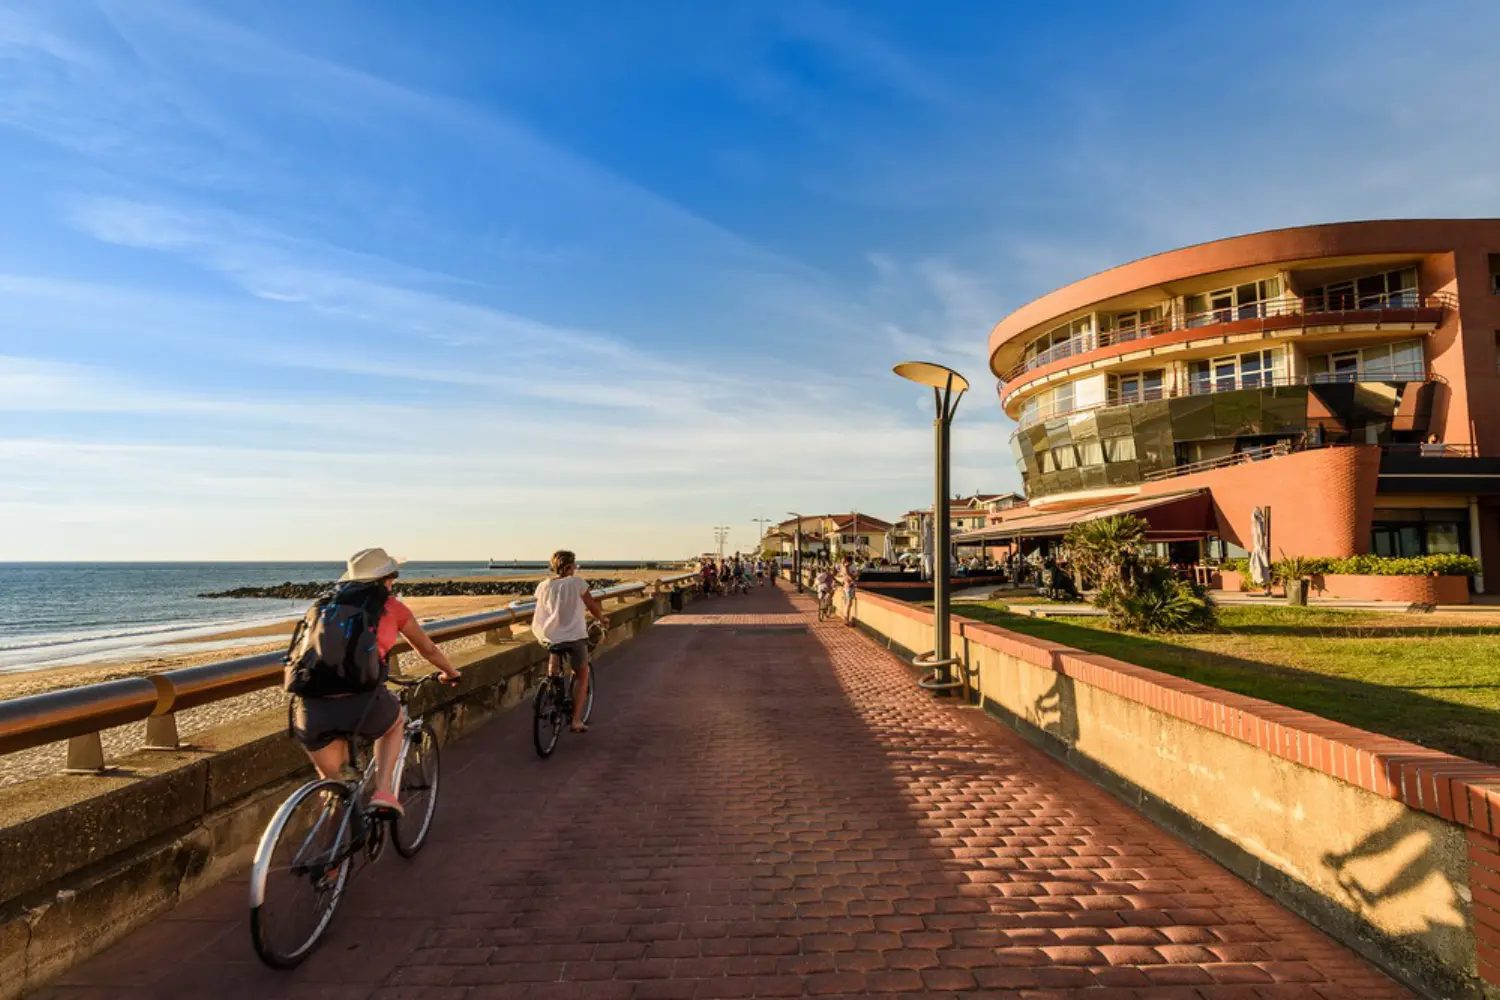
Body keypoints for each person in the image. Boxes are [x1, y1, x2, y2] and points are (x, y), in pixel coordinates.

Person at [292, 547, 460, 817]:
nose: (393, 582)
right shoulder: (391, 607)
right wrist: (450, 672)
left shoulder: (322, 606)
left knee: (335, 788)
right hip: (363, 703)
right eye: (392, 576)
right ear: (385, 579)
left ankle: (331, 840)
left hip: (311, 707)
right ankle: (384, 792)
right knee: (394, 722)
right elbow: (427, 649)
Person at [534, 550, 612, 733]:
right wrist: (602, 619)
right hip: (574, 636)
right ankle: (576, 721)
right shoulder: (577, 582)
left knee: (554, 654)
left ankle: (551, 683)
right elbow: (591, 605)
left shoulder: (544, 585)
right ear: (569, 566)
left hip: (550, 635)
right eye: (574, 564)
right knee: (582, 675)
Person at [836, 554, 859, 627]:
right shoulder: (848, 567)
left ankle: (846, 619)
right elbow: (851, 578)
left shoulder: (843, 566)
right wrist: (857, 574)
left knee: (847, 604)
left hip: (845, 586)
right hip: (849, 587)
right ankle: (846, 620)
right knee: (849, 604)